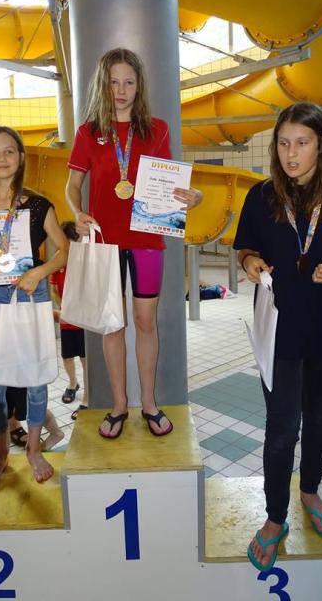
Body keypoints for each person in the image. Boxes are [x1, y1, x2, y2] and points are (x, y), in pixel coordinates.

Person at [66, 47, 202, 439]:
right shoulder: (88, 132)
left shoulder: (157, 129)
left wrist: (193, 197)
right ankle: (119, 405)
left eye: (129, 82)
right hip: (105, 242)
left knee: (145, 321)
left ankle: (149, 403)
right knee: (112, 324)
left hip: (146, 240)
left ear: (139, 85)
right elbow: (72, 185)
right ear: (103, 85)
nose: (121, 90)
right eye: (113, 82)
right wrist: (77, 211)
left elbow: (171, 184)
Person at [234, 102, 322, 572]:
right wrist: (250, 262)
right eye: (283, 143)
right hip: (278, 330)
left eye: (301, 143)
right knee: (282, 428)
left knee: (319, 417)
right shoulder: (261, 196)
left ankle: (310, 490)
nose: (291, 154)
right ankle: (275, 516)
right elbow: (244, 247)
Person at [0, 125, 68, 492]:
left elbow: (64, 250)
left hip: (32, 298)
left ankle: (34, 450)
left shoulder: (38, 206)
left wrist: (39, 271)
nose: (2, 158)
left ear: (21, 158)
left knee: (36, 379)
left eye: (9, 151)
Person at [50, 220, 88, 413]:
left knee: (84, 357)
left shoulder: (84, 260)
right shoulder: (58, 259)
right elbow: (54, 289)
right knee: (67, 356)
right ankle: (73, 383)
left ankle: (88, 394)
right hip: (67, 317)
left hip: (83, 318)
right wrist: (64, 307)